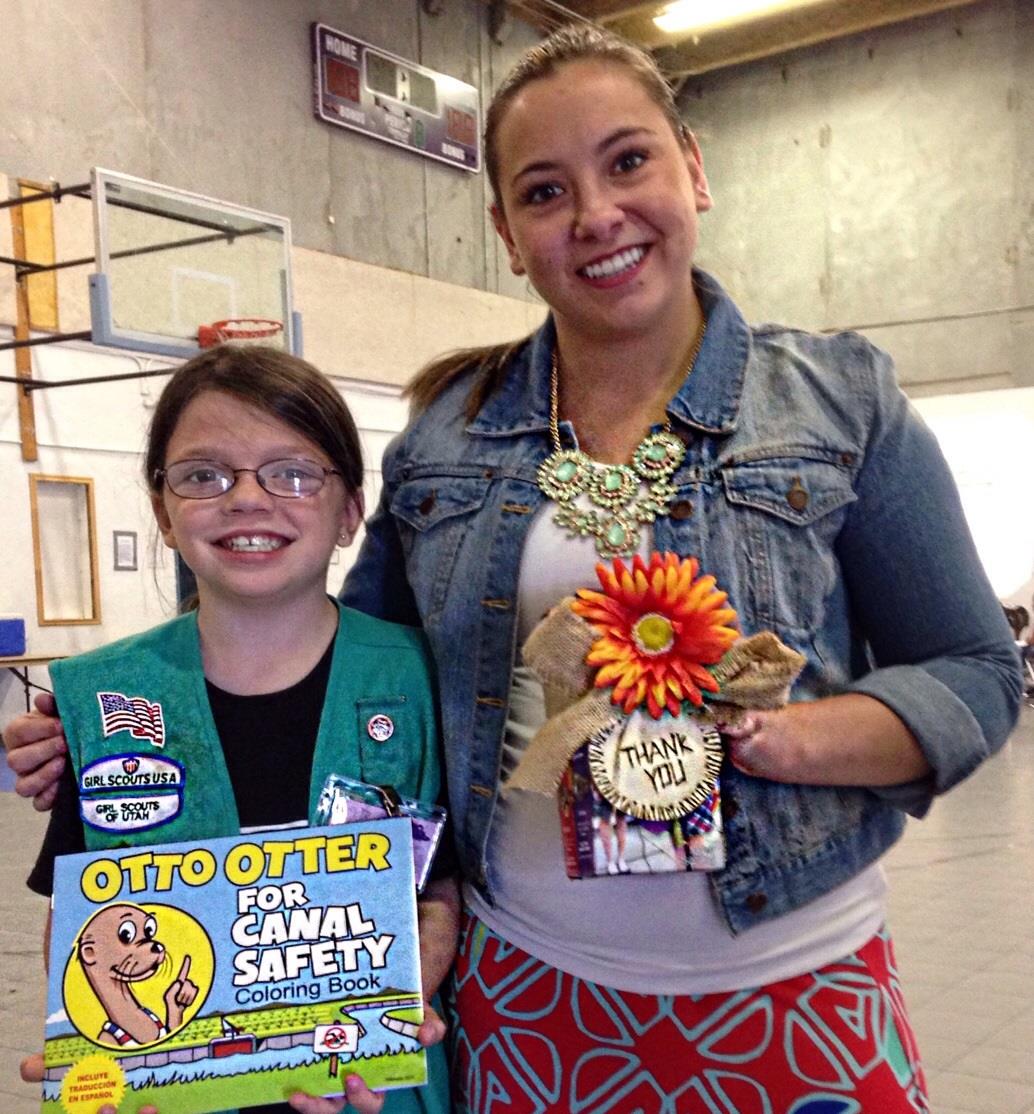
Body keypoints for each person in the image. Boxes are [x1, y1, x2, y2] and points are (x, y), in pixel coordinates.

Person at [6, 24, 1023, 1113]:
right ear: (503, 230)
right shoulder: (449, 436)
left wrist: (785, 738)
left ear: (694, 167)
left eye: (627, 161)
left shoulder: (839, 402)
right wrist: (126, 723)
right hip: (526, 997)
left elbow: (973, 669)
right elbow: (353, 682)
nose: (593, 215)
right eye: (543, 191)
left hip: (792, 983)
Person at [14, 346, 456, 1114]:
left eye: (292, 473)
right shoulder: (103, 697)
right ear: (163, 509)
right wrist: (90, 1045)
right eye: (204, 475)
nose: (248, 500)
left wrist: (367, 1019)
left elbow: (439, 890)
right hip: (175, 1090)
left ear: (351, 509)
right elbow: (77, 907)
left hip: (361, 1084)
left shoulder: (419, 679)